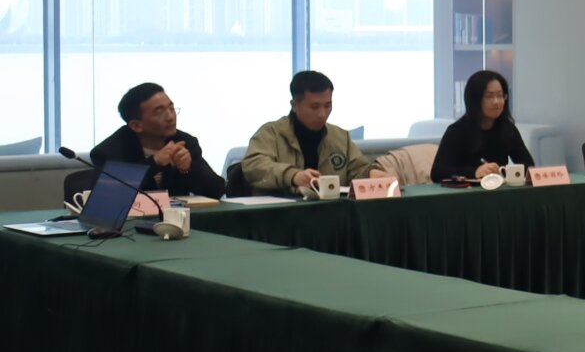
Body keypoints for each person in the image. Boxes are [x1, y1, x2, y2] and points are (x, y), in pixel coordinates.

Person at [242, 70, 379, 194]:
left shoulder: (340, 137)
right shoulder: (271, 134)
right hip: (280, 211)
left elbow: (358, 169)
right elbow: (254, 166)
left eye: (328, 105)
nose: (322, 114)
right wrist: (292, 175)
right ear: (294, 105)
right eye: (314, 107)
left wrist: (370, 173)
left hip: (330, 210)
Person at [90, 82, 225, 198]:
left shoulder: (184, 141)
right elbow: (109, 196)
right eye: (159, 112)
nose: (170, 117)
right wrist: (155, 162)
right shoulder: (110, 151)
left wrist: (188, 169)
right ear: (136, 125)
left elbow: (217, 191)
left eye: (171, 108)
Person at [430, 69, 535, 181]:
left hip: (497, 188)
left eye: (500, 95)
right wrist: (474, 172)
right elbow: (437, 172)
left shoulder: (508, 129)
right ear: (474, 100)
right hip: (466, 190)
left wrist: (504, 172)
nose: (496, 102)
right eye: (489, 96)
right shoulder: (456, 131)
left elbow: (528, 165)